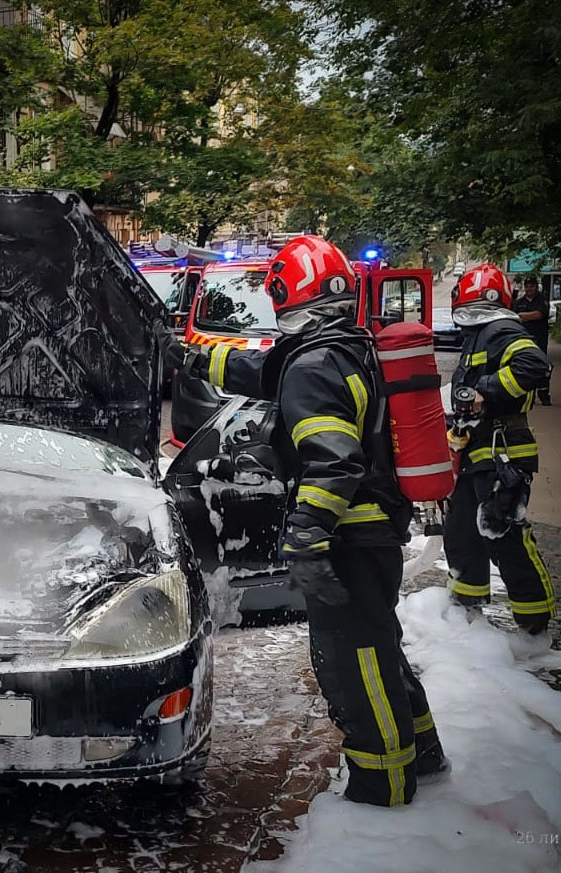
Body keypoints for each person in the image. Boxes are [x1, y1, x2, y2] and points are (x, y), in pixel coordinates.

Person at [156, 235, 446, 807]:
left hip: (349, 536)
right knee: (379, 646)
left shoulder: (313, 365)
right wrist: (191, 356)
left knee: (356, 661)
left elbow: (334, 460)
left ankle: (382, 786)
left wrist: (308, 534)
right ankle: (424, 754)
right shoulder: (343, 347)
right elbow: (260, 369)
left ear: (285, 292)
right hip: (373, 529)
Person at [445, 264, 555, 636]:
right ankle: (466, 610)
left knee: (504, 535)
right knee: (463, 533)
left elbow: (534, 365)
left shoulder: (500, 329)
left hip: (503, 452)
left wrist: (483, 391)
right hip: (479, 452)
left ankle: (534, 622)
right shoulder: (480, 335)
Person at [512, 276, 551, 405]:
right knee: (525, 366)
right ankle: (528, 395)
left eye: (532, 286)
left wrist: (522, 315)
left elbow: (539, 314)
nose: (529, 289)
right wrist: (527, 316)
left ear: (536, 287)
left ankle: (544, 395)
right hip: (522, 339)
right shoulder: (519, 302)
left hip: (539, 340)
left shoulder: (542, 300)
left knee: (542, 366)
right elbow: (513, 317)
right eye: (527, 286)